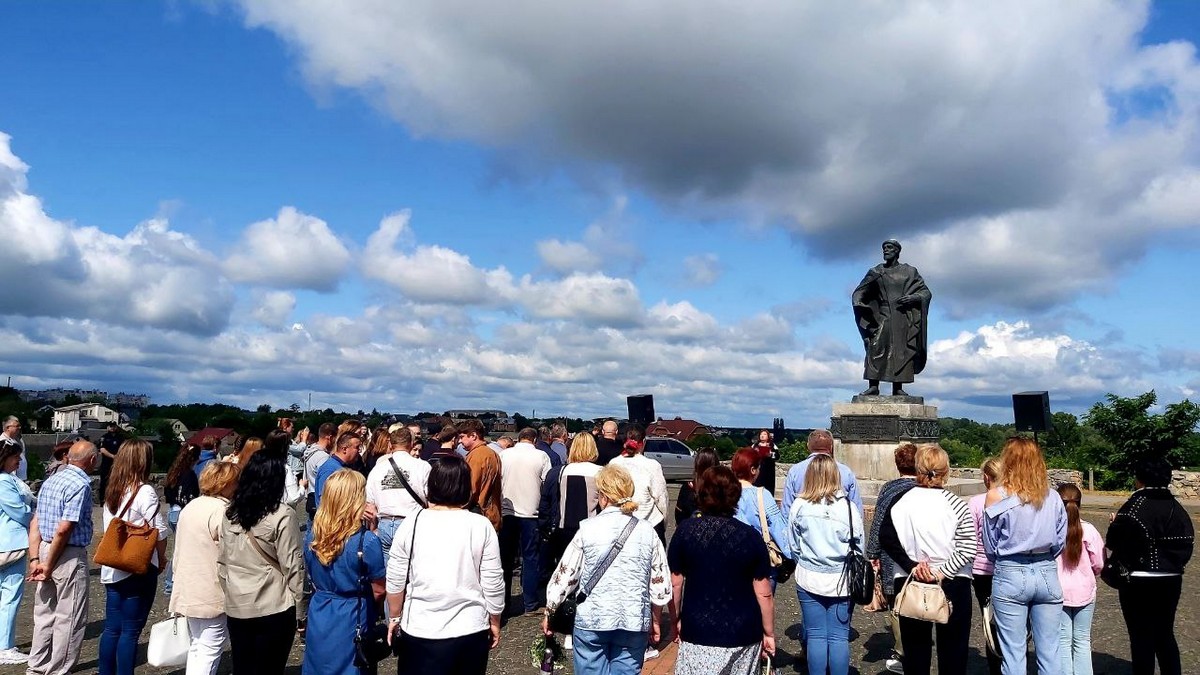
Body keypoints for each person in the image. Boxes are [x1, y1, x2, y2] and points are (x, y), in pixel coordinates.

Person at [542, 464, 672, 674]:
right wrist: (655, 619)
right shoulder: (648, 532)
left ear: (603, 496)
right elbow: (660, 585)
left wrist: (551, 610)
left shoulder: (587, 528)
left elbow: (565, 575)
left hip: (593, 618)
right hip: (633, 619)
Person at [385, 455, 504, 675]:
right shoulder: (480, 525)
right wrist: (495, 618)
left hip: (421, 624)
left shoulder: (412, 521)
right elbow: (493, 580)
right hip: (469, 626)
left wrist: (394, 616)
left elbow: (395, 576)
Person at [669, 465, 775, 674]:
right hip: (742, 630)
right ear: (735, 496)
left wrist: (675, 619)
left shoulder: (685, 532)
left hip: (697, 627)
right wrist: (769, 632)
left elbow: (676, 583)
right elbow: (764, 592)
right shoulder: (750, 536)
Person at [880, 444, 976, 675]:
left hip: (910, 579)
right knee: (953, 650)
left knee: (915, 652)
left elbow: (886, 537)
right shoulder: (956, 504)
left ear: (917, 468)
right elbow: (968, 547)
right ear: (946, 471)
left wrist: (912, 566)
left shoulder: (900, 501)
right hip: (952, 581)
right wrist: (940, 572)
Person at [218, 436, 304, 675]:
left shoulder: (231, 513)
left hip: (237, 602)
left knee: (243, 666)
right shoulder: (282, 515)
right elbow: (293, 565)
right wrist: (301, 609)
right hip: (273, 604)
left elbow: (223, 561)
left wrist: (229, 591)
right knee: (270, 668)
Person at [981, 437, 1067, 675]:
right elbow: (1060, 539)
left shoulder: (996, 496)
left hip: (1010, 570)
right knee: (1050, 653)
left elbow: (990, 544)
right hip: (1046, 568)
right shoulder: (1052, 497)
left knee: (1013, 653)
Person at [1106, 457, 1194, 675]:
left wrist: (1114, 525)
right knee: (1165, 634)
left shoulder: (1133, 507)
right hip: (1171, 579)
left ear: (1139, 479)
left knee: (1141, 636)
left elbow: (1113, 542)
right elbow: (1186, 546)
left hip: (1138, 580)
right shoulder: (1178, 509)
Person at [26, 439, 97, 675]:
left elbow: (35, 523)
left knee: (44, 612)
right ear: (92, 460)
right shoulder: (80, 485)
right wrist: (47, 564)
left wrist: (35, 559)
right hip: (66, 552)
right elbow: (64, 528)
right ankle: (58, 670)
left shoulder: (51, 480)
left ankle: (36, 666)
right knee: (70, 615)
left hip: (45, 547)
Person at [304, 469, 386, 675]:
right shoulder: (366, 541)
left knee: (319, 666)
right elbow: (379, 590)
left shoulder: (312, 536)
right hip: (352, 612)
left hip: (320, 608)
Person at [98, 439, 169, 675]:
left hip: (113, 564)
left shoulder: (112, 489)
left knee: (112, 629)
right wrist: (161, 558)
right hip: (137, 565)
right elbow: (159, 531)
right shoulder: (144, 491)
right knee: (130, 631)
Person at [788, 454, 862, 675]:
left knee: (816, 635)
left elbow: (793, 544)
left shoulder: (799, 505)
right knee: (839, 636)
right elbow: (858, 546)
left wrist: (804, 560)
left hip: (809, 576)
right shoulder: (849, 508)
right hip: (842, 579)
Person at [169, 462, 240, 675]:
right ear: (226, 484)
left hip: (188, 583)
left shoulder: (192, 506)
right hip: (211, 588)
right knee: (210, 647)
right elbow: (232, 551)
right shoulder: (222, 511)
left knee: (197, 645)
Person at [851, 238, 932, 397]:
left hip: (903, 317)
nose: (886, 250)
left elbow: (925, 292)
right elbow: (860, 292)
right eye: (884, 248)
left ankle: (898, 388)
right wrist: (861, 306)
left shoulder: (909, 272)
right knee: (875, 347)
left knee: (901, 351)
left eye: (889, 248)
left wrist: (915, 298)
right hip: (882, 317)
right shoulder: (876, 272)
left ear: (897, 251)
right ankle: (873, 386)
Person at [865, 443, 919, 674]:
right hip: (921, 556)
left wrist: (872, 553)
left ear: (898, 465)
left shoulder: (889, 489)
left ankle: (903, 651)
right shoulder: (926, 488)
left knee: (897, 604)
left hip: (893, 556)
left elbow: (878, 523)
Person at [499, 427, 551, 614]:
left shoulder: (504, 455)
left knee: (505, 559)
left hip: (507, 512)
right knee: (530, 559)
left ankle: (503, 602)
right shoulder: (541, 456)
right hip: (531, 513)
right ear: (534, 440)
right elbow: (546, 484)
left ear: (519, 439)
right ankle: (530, 602)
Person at [1054, 483, 1103, 675]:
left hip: (1058, 591)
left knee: (1063, 640)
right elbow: (1099, 562)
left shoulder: (1052, 530)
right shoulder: (1089, 531)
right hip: (1085, 590)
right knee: (1082, 640)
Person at [538, 432, 603, 571]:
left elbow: (545, 502)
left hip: (564, 530)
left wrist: (544, 526)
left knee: (565, 570)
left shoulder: (558, 472)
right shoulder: (601, 473)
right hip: (592, 531)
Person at [731, 448, 791, 592]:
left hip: (732, 558)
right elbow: (777, 527)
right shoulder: (762, 495)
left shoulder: (725, 494)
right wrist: (790, 555)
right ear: (753, 470)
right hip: (760, 560)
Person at [366, 427, 429, 560]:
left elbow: (370, 505)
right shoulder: (423, 467)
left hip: (385, 523)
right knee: (411, 565)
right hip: (412, 522)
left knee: (388, 567)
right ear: (411, 444)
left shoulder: (378, 469)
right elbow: (431, 498)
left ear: (390, 444)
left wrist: (373, 528)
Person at [967, 457, 1003, 675]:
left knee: (989, 621)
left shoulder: (975, 502)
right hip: (1006, 568)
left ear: (986, 477)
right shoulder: (1013, 499)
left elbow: (970, 538)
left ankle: (995, 666)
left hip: (982, 569)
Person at [0, 439, 33, 665]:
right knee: (10, 597)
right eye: (15, 457)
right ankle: (5, 647)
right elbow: (19, 511)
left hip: (6, 543)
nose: (19, 461)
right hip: (10, 543)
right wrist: (36, 515)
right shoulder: (4, 481)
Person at [782, 429, 862, 518]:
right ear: (831, 447)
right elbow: (856, 511)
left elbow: (787, 510)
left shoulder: (795, 471)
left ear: (808, 446)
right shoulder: (846, 472)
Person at [609, 425, 669, 544]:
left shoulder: (613, 464)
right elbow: (662, 499)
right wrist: (664, 523)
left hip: (620, 525)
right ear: (643, 442)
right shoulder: (652, 465)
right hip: (650, 524)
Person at [162, 443, 200, 596]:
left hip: (172, 511)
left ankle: (171, 583)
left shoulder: (174, 471)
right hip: (182, 512)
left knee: (177, 549)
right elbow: (190, 496)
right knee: (181, 551)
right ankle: (171, 583)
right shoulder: (189, 474)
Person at [459, 419, 503, 531]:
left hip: (479, 515)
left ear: (473, 436)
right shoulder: (493, 453)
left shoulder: (477, 456)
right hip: (492, 514)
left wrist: (457, 508)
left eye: (462, 437)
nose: (460, 441)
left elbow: (471, 488)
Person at [314, 432, 364, 509]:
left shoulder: (344, 467)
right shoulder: (330, 469)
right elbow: (325, 500)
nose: (359, 451)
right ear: (344, 449)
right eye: (357, 447)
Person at [675, 447, 718, 526]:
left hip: (690, 530)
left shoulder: (687, 488)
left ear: (696, 465)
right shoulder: (722, 489)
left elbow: (679, 516)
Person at [303, 423, 338, 518]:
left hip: (310, 496)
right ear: (330, 437)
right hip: (320, 501)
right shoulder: (323, 457)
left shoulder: (310, 451)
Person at [97, 422, 122, 497]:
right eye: (111, 426)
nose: (112, 428)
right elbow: (102, 449)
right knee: (104, 482)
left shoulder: (120, 437)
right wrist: (113, 456)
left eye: (114, 426)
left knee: (117, 482)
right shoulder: (104, 437)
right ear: (108, 428)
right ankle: (102, 499)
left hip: (117, 464)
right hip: (106, 464)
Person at [0, 418, 26, 483]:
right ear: (8, 428)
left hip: (19, 478)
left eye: (19, 426)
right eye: (17, 426)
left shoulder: (17, 440)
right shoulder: (3, 442)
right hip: (10, 478)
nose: (19, 428)